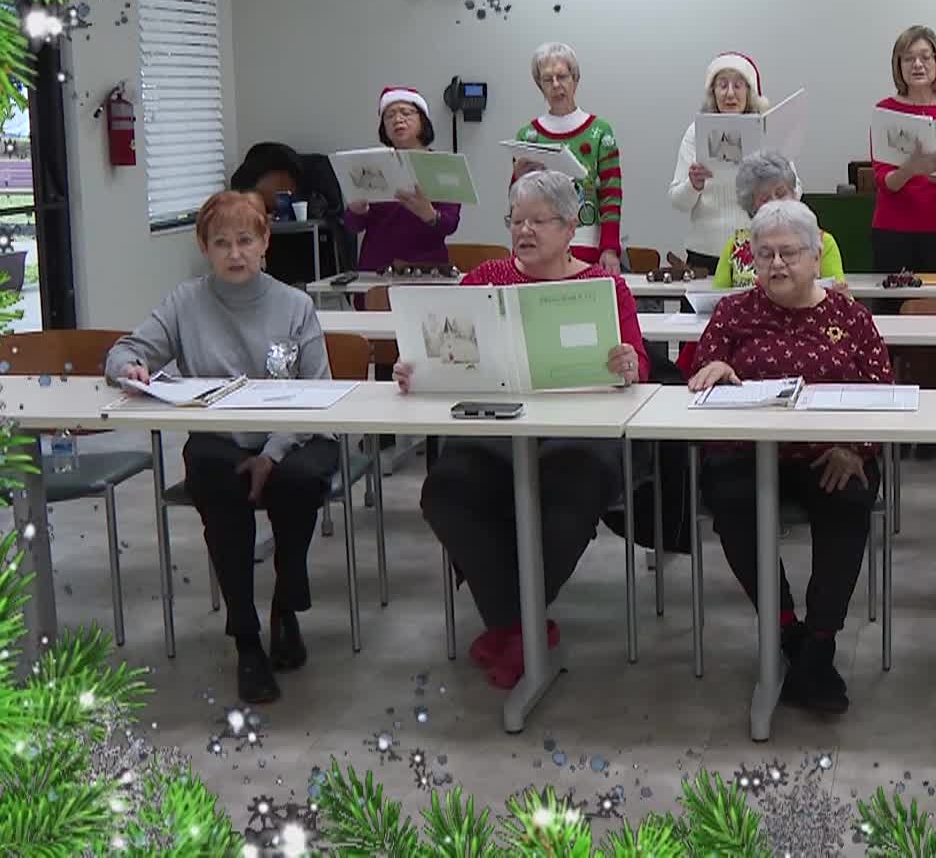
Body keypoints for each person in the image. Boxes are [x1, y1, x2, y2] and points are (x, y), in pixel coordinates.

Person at [406, 170, 649, 689]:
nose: (525, 231)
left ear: (569, 227)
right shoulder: (485, 279)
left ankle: (510, 625)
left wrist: (629, 362)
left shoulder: (601, 285)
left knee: (567, 498)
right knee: (446, 492)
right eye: (517, 221)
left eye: (539, 220)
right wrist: (417, 369)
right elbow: (445, 355)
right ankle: (520, 625)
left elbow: (639, 367)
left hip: (578, 432)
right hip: (495, 430)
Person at [106, 191, 336, 705]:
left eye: (246, 241)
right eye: (222, 243)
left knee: (299, 481)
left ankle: (286, 604)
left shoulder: (296, 305)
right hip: (221, 441)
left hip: (294, 436)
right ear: (205, 249)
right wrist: (129, 368)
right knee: (219, 486)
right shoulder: (185, 302)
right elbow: (126, 350)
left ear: (265, 244)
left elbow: (318, 394)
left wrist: (271, 455)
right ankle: (247, 640)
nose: (235, 253)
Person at [687, 200, 892, 714]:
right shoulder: (734, 313)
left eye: (788, 254)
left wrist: (857, 449)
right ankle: (783, 627)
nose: (776, 265)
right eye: (764, 255)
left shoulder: (851, 316)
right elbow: (700, 371)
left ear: (816, 253)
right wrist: (712, 369)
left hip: (830, 453)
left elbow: (882, 391)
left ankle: (820, 642)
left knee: (848, 498)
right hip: (747, 451)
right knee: (731, 498)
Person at [870, 25, 936, 273]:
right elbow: (884, 180)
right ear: (899, 66)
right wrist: (911, 168)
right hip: (893, 231)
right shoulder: (885, 111)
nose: (917, 64)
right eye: (908, 58)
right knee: (893, 308)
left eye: (925, 57)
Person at [511, 42, 623, 273]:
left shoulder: (600, 132)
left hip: (587, 243)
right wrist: (518, 178)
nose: (555, 85)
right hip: (537, 247)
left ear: (575, 79)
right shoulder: (527, 136)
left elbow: (611, 193)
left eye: (562, 77)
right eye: (547, 79)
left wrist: (609, 248)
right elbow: (516, 202)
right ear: (539, 85)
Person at [668, 52, 779, 271]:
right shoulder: (695, 132)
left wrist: (772, 186)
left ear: (750, 92)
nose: (730, 93)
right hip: (704, 254)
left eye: (738, 85)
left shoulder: (767, 130)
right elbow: (677, 200)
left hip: (756, 250)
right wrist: (693, 185)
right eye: (722, 85)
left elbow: (796, 190)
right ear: (713, 92)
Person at [342, 86, 461, 272]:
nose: (398, 119)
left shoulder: (442, 166)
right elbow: (352, 225)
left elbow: (451, 223)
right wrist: (356, 211)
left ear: (423, 120)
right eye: (389, 115)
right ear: (384, 127)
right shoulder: (372, 165)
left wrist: (430, 215)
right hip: (376, 269)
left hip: (426, 270)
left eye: (406, 113)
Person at [711, 150, 845, 288]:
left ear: (794, 195)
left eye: (781, 194)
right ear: (751, 206)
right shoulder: (734, 246)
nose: (775, 203)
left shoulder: (821, 241)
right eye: (765, 199)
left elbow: (841, 300)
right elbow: (715, 300)